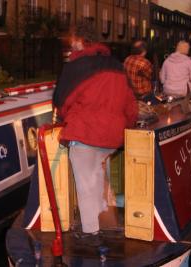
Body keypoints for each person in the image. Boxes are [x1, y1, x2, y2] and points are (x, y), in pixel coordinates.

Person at [53, 27, 138, 245]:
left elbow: (62, 101)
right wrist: (124, 126)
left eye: (73, 42)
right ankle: (101, 212)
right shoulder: (117, 66)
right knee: (96, 171)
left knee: (84, 181)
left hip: (85, 132)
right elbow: (131, 105)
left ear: (81, 42)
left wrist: (67, 118)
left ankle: (91, 232)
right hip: (112, 136)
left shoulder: (76, 66)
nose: (71, 47)